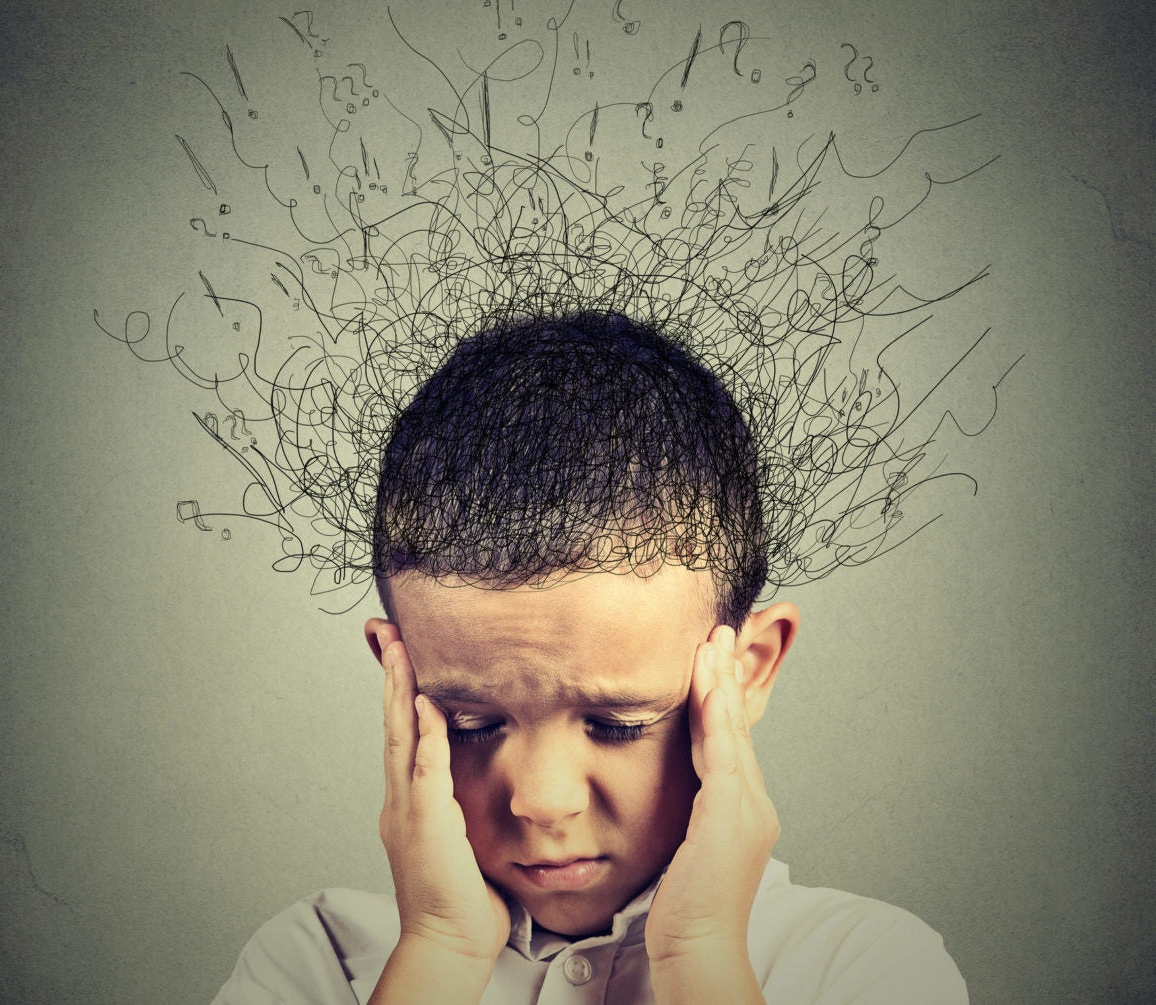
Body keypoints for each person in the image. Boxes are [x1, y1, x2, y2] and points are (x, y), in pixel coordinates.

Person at [212, 312, 967, 1003]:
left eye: (617, 721)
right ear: (397, 679)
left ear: (748, 668)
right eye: (471, 719)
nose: (541, 800)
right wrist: (438, 951)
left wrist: (699, 952)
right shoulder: (316, 963)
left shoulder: (864, 966)